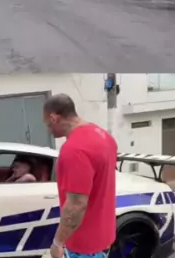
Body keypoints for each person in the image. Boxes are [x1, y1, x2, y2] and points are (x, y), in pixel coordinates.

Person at [43, 94, 117, 258]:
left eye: (48, 124)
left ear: (54, 118)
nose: (48, 130)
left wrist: (58, 243)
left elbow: (76, 205)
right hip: (104, 237)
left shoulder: (74, 150)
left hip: (84, 246)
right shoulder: (104, 136)